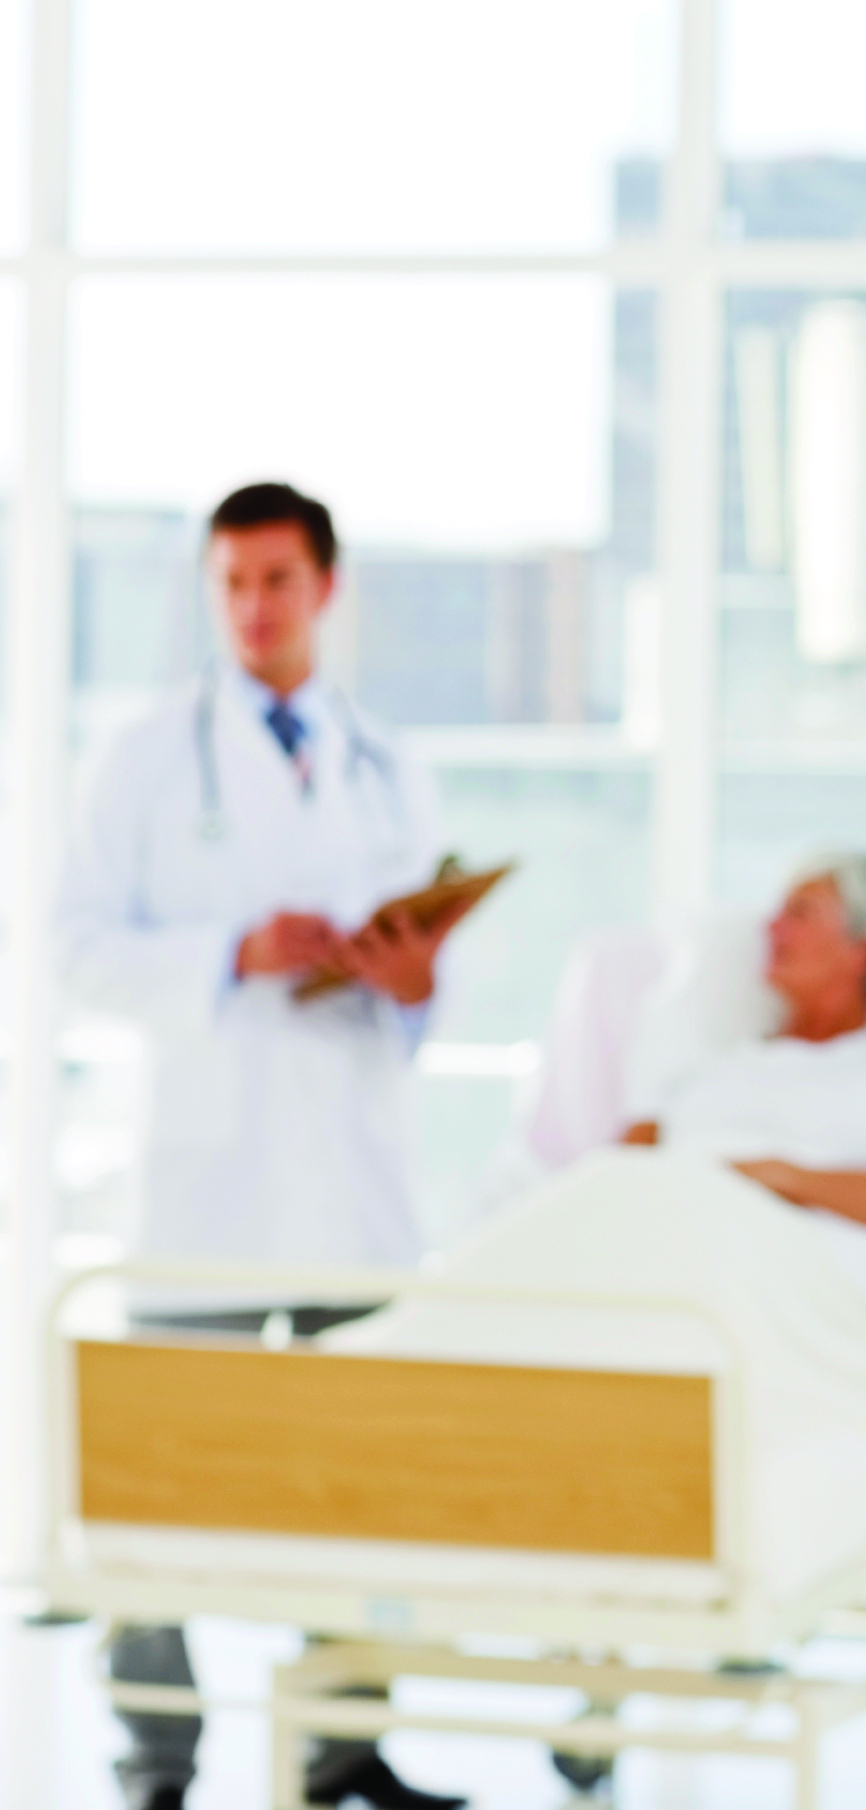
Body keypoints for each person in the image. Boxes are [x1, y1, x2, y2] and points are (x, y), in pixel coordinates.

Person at [59, 482, 464, 1810]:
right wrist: (231, 954)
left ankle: (345, 1742)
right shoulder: (141, 757)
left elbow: (432, 970)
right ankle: (156, 1756)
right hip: (202, 1183)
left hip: (350, 1183)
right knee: (163, 1476)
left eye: (276, 581)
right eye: (230, 583)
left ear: (326, 589)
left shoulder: (385, 762)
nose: (251, 608)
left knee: (359, 1479)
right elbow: (74, 952)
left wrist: (406, 980)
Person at [624, 851, 866, 1241]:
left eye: (800, 913)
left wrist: (770, 1176)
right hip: (660, 1236)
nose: (772, 926)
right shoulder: (708, 1064)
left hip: (785, 1254)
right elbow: (613, 1174)